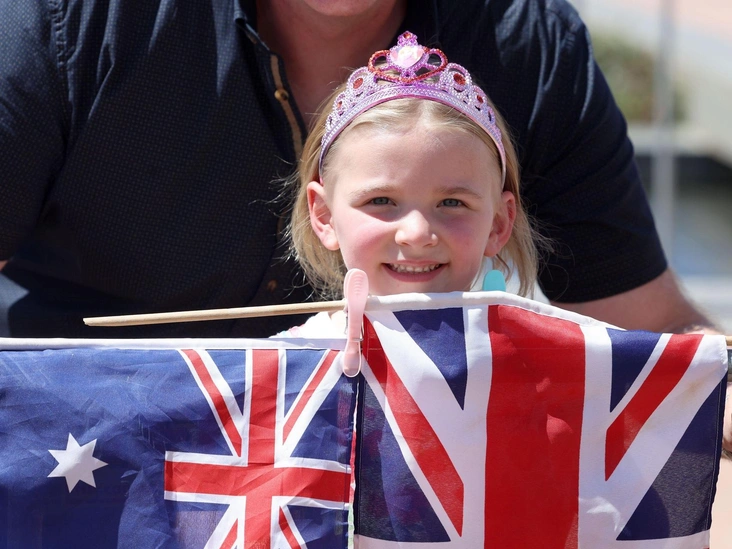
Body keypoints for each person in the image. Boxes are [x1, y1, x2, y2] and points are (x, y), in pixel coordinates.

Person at [0, 0, 717, 338]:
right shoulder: (69, 20)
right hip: (89, 475)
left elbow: (654, 331)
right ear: (318, 211)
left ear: (504, 221)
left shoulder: (531, 42)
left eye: (452, 203)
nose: (415, 232)